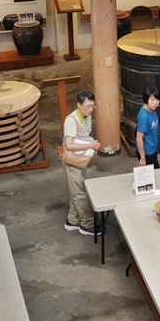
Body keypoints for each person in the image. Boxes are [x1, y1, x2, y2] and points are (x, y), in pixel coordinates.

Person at [62, 91, 102, 236]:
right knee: (79, 193)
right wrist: (91, 146)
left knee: (76, 189)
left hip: (81, 159)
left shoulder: (87, 116)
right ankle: (87, 225)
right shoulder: (71, 121)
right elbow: (69, 145)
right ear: (78, 105)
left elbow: (84, 136)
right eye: (87, 106)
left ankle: (72, 221)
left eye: (93, 106)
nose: (90, 110)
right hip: (73, 161)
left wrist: (91, 146)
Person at [136, 86, 160, 168]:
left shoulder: (152, 109)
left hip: (153, 148)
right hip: (147, 152)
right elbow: (139, 138)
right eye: (152, 100)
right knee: (155, 172)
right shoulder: (144, 116)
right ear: (146, 99)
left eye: (157, 100)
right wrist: (143, 158)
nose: (155, 103)